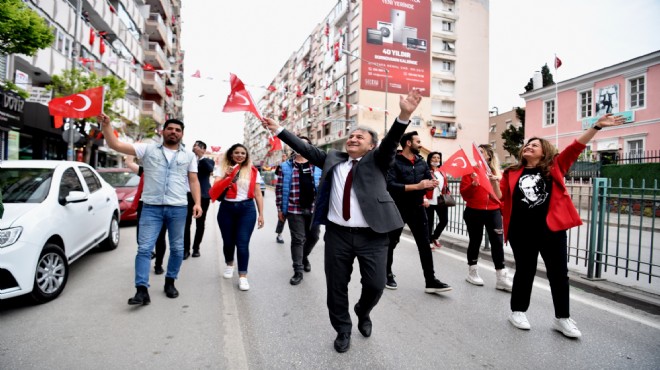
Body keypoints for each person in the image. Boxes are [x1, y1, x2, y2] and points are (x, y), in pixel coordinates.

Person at [263, 89, 423, 354]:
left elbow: (392, 140)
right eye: (351, 135)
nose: (353, 138)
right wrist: (279, 130)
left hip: (373, 235)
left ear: (371, 145)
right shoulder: (332, 159)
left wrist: (404, 114)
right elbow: (303, 148)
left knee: (375, 284)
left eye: (360, 136)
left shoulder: (379, 160)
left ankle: (363, 309)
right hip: (337, 234)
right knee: (336, 286)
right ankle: (343, 329)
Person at [491, 113, 625, 338]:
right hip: (521, 231)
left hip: (551, 230)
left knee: (558, 274)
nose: (528, 147)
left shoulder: (555, 167)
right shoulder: (511, 172)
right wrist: (493, 184)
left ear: (545, 151)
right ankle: (518, 311)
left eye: (534, 145)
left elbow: (575, 147)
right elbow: (501, 199)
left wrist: (596, 127)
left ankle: (562, 318)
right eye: (527, 145)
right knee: (525, 271)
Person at [99, 114, 202, 305]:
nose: (174, 132)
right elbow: (116, 145)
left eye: (178, 130)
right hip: (151, 208)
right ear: (162, 131)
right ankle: (141, 290)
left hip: (178, 208)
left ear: (182, 134)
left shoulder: (189, 156)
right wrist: (107, 126)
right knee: (145, 248)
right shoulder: (147, 149)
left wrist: (197, 203)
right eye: (170, 129)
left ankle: (170, 282)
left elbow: (193, 180)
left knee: (178, 249)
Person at [385, 132, 452, 293]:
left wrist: (431, 184)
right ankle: (387, 274)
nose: (420, 144)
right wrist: (418, 186)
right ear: (408, 143)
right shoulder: (393, 161)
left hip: (418, 208)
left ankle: (430, 281)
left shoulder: (422, 162)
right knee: (391, 243)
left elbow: (426, 182)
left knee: (424, 245)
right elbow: (390, 185)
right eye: (418, 141)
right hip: (397, 208)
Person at [210, 143, 264, 291]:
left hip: (247, 209)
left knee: (242, 243)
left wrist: (261, 214)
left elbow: (258, 193)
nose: (240, 155)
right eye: (237, 153)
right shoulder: (222, 169)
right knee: (228, 242)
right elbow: (215, 189)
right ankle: (229, 264)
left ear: (246, 156)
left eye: (243, 153)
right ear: (231, 154)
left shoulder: (253, 171)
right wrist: (227, 176)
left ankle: (243, 276)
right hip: (227, 209)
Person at [459, 144, 513, 291]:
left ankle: (501, 277)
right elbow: (464, 194)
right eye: (477, 152)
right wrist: (473, 185)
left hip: (493, 212)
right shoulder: (470, 171)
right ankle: (472, 271)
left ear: (488, 155)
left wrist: (495, 182)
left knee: (497, 242)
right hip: (473, 211)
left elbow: (501, 197)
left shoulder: (498, 173)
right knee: (475, 241)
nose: (478, 155)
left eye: (481, 152)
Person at [275, 137, 322, 285]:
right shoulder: (285, 166)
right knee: (298, 239)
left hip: (314, 208)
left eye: (304, 143)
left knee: (314, 237)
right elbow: (279, 188)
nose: (301, 146)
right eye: (298, 143)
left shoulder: (318, 165)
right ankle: (298, 270)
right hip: (293, 208)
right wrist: (279, 209)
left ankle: (304, 256)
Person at [125, 158, 167, 275]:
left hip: (161, 205)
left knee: (160, 238)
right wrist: (134, 149)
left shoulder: (168, 172)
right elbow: (129, 163)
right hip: (144, 205)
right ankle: (150, 253)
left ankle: (158, 264)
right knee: (140, 238)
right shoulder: (145, 170)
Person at [183, 140, 215, 258]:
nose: (194, 147)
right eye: (193, 145)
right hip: (187, 195)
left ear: (203, 149)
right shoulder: (187, 159)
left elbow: (210, 169)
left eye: (197, 146)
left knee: (200, 223)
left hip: (203, 197)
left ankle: (196, 248)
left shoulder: (207, 161)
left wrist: (200, 157)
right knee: (186, 224)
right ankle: (185, 249)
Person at [425, 151, 449, 250]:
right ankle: (429, 241)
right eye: (434, 158)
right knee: (429, 222)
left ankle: (435, 237)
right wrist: (424, 198)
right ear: (430, 159)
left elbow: (445, 185)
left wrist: (447, 193)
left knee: (444, 220)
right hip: (429, 200)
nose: (436, 160)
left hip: (440, 200)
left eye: (438, 158)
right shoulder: (426, 171)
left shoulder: (442, 171)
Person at [274, 153, 289, 244]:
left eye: (285, 156)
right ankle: (279, 234)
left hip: (294, 197)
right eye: (282, 156)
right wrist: (283, 163)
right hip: (284, 196)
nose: (284, 157)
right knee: (282, 217)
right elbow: (277, 174)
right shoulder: (282, 166)